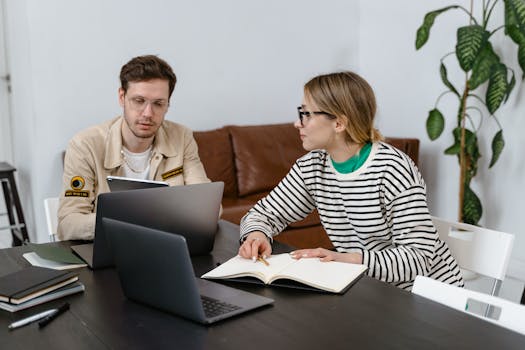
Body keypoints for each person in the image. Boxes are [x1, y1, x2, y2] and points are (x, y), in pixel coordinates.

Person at [238, 71, 463, 290]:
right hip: (370, 290)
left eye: (306, 114)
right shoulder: (312, 166)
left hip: (429, 297)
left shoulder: (393, 169)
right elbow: (262, 214)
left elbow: (418, 259)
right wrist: (257, 235)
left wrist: (346, 259)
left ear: (339, 123)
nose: (298, 123)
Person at [57, 55, 210, 240]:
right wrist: (131, 221)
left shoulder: (182, 137)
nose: (148, 113)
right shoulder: (84, 146)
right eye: (139, 101)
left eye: (158, 104)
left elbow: (207, 207)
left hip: (166, 245)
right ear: (122, 97)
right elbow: (68, 224)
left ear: (168, 104)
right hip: (111, 246)